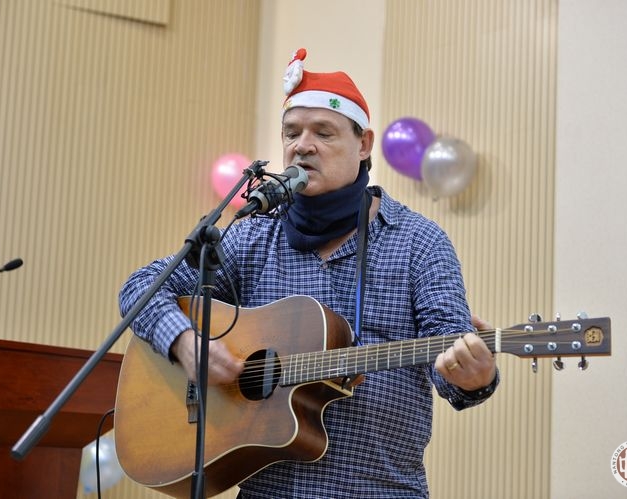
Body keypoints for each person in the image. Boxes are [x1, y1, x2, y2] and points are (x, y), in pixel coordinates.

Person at [119, 48, 498, 498]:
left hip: (381, 490)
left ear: (363, 145)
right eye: (291, 132)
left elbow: (451, 362)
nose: (302, 145)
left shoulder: (420, 242)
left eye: (323, 132)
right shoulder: (253, 235)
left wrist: (475, 378)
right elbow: (142, 289)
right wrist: (186, 344)